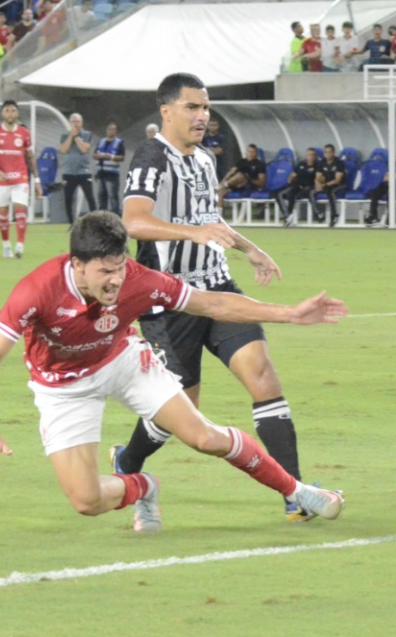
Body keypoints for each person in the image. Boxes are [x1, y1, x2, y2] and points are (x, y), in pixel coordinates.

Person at [0, 212, 348, 532]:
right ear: (77, 265)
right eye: (105, 272)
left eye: (119, 268)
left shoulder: (139, 279)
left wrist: (289, 314)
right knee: (86, 501)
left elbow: (212, 303)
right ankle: (144, 486)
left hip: (122, 360)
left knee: (204, 437)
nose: (116, 280)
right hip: (63, 387)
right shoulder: (37, 290)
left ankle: (297, 492)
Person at [113, 72, 322, 524]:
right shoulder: (152, 157)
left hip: (218, 285)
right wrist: (193, 232)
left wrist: (250, 249)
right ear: (166, 111)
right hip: (169, 300)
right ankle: (127, 464)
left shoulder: (206, 161)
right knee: (180, 412)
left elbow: (208, 219)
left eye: (206, 107)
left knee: (263, 376)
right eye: (192, 107)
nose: (203, 116)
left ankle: (296, 493)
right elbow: (134, 221)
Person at [0, 99, 39, 258]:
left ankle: (20, 246)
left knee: (20, 210)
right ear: (2, 113)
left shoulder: (24, 133)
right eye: (7, 111)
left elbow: (30, 157)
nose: (10, 113)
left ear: (17, 113)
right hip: (2, 180)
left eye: (13, 111)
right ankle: (6, 245)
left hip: (20, 178)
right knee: (3, 213)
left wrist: (36, 180)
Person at [58, 113, 95, 224]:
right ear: (70, 123)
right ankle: (72, 224)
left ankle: (95, 224)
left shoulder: (87, 135)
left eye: (77, 121)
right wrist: (71, 136)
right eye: (73, 122)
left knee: (90, 198)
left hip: (84, 172)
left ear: (81, 123)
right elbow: (63, 150)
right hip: (69, 172)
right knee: (68, 199)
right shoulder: (64, 135)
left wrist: (76, 137)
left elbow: (84, 149)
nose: (75, 124)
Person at [363, 145, 396, 226]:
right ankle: (373, 216)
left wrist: (392, 175)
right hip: (390, 184)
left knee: (390, 194)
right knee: (374, 192)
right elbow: (385, 177)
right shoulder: (394, 164)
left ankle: (390, 218)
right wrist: (395, 175)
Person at [274, 146, 322, 226]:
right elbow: (292, 175)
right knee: (277, 193)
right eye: (309, 154)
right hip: (296, 184)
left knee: (286, 194)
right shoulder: (301, 164)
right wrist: (289, 183)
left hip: (306, 187)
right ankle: (288, 216)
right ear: (306, 155)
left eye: (312, 155)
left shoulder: (318, 166)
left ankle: (288, 216)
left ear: (315, 156)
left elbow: (318, 178)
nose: (310, 156)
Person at [93, 122, 126, 213]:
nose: (111, 131)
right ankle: (101, 217)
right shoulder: (101, 141)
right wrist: (99, 156)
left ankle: (115, 216)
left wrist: (110, 156)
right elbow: (94, 154)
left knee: (113, 197)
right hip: (101, 173)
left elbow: (122, 157)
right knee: (101, 196)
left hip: (112, 174)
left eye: (113, 129)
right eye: (109, 129)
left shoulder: (118, 142)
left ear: (116, 131)